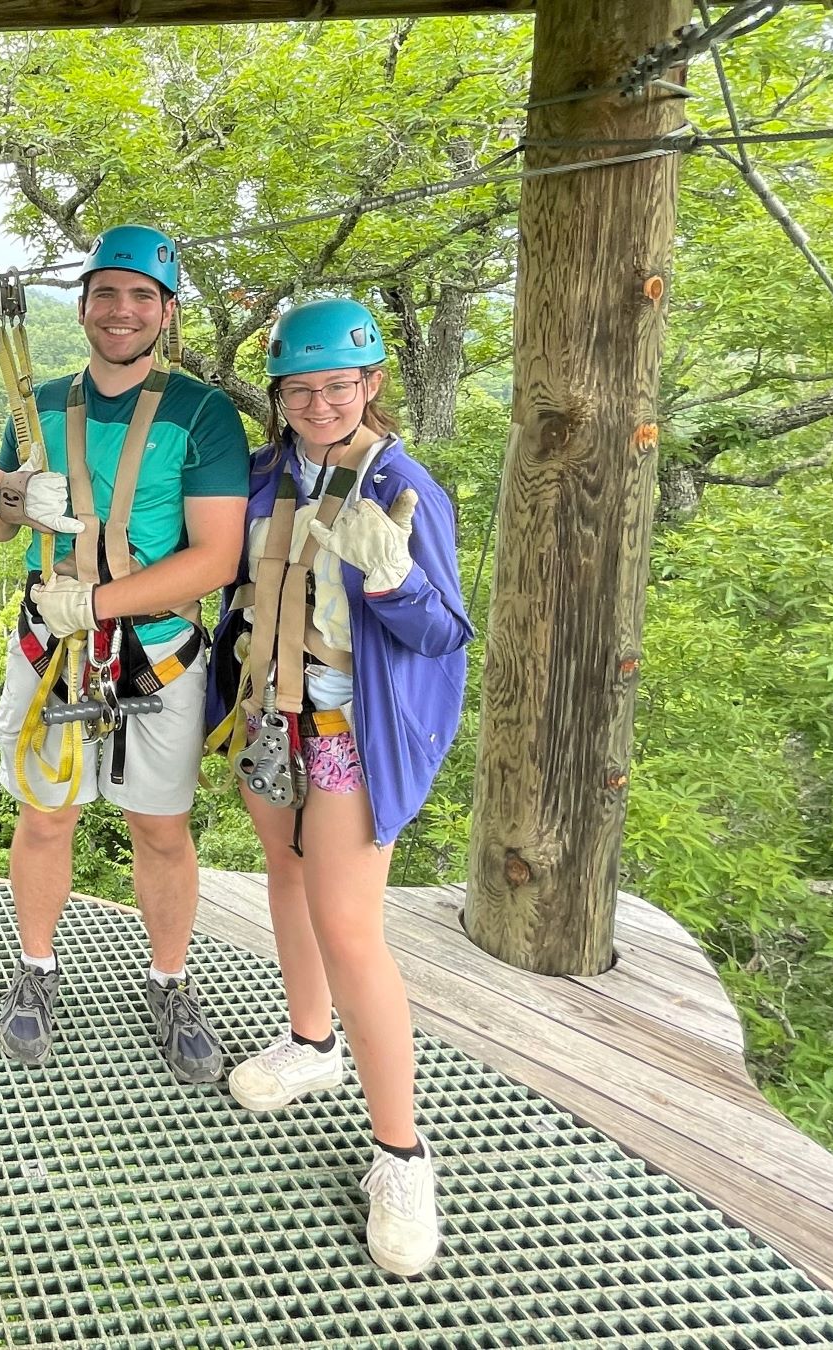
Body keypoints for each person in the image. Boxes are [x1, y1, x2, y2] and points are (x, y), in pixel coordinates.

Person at [200, 295, 471, 1277]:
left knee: (351, 926)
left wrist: (395, 580)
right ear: (278, 396)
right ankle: (311, 1043)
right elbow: (215, 566)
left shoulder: (403, 488)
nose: (318, 403)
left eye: (337, 385)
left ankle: (403, 1156)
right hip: (271, 711)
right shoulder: (269, 475)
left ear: (371, 385)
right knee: (283, 875)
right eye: (300, 388)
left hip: (350, 730)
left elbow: (445, 634)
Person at [0, 224, 250, 1086]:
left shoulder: (202, 414)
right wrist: (18, 496)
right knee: (45, 816)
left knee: (160, 829)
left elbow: (216, 557)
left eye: (141, 297)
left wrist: (94, 601)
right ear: (84, 306)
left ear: (167, 313)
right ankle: (36, 967)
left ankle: (170, 981)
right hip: (49, 644)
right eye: (106, 294)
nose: (121, 311)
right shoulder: (40, 405)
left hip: (155, 648)